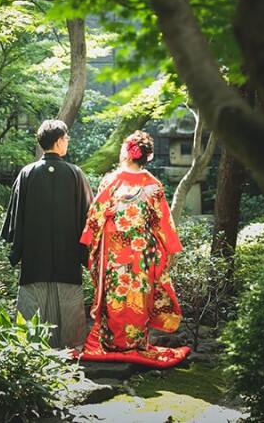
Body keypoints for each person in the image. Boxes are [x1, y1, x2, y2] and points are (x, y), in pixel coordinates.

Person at [77, 130, 190, 367]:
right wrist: (168, 250)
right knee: (137, 293)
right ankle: (136, 342)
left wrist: (95, 233)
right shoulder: (153, 185)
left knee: (116, 293)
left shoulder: (111, 180)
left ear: (127, 153)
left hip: (114, 250)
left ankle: (112, 342)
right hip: (142, 251)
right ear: (145, 156)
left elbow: (96, 215)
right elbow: (162, 222)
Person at [0, 119, 93, 349]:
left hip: (34, 253)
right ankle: (71, 347)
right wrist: (86, 252)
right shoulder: (75, 174)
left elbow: (16, 216)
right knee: (68, 299)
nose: (67, 141)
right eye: (66, 138)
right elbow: (89, 217)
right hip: (68, 254)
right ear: (59, 141)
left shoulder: (27, 173)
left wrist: (18, 246)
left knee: (34, 301)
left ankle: (32, 347)